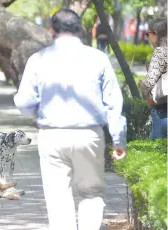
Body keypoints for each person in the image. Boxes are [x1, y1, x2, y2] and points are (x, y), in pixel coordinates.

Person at [13, 9, 127, 230]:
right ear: (81, 30)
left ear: (51, 31)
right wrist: (118, 139)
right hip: (89, 135)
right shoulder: (98, 58)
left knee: (57, 199)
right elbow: (114, 102)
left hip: (52, 136)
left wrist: (35, 116)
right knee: (91, 194)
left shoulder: (38, 60)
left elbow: (24, 101)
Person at [141, 17, 167, 139]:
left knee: (158, 146)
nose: (148, 37)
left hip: (162, 109)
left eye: (148, 34)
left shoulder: (160, 52)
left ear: (156, 34)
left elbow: (148, 83)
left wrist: (148, 99)